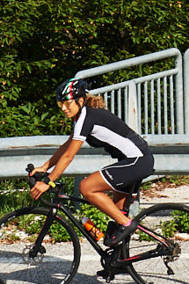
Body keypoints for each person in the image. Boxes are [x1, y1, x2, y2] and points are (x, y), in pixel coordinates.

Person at [29, 77, 154, 251]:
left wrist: (48, 181)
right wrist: (45, 167)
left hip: (137, 161)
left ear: (80, 101)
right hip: (132, 161)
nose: (63, 108)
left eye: (67, 103)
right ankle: (120, 261)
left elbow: (69, 156)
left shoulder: (86, 117)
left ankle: (127, 224)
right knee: (117, 221)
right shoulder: (81, 116)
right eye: (60, 104)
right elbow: (67, 146)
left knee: (86, 187)